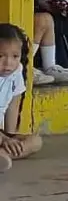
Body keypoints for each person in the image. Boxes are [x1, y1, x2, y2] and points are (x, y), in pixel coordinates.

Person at [0, 24, 43, 171]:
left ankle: (4, 154)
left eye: (15, 56)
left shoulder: (16, 71)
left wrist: (10, 138)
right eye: (0, 56)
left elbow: (13, 105)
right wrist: (3, 139)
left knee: (36, 141)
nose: (8, 63)